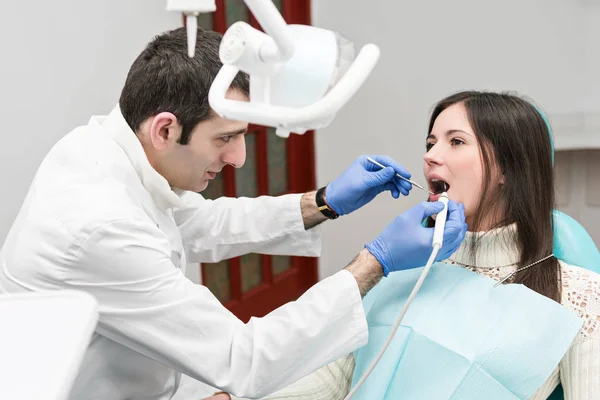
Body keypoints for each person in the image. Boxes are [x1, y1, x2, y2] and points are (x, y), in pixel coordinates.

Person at [0, 27, 467, 400]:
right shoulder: (98, 221)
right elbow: (244, 359)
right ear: (166, 128)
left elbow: (197, 223)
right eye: (225, 138)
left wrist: (322, 202)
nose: (239, 158)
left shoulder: (109, 146)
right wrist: (376, 261)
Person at [228, 91, 600, 400]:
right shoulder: (403, 269)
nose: (430, 156)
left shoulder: (578, 295)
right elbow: (334, 379)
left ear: (506, 169)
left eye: (455, 142)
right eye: (430, 142)